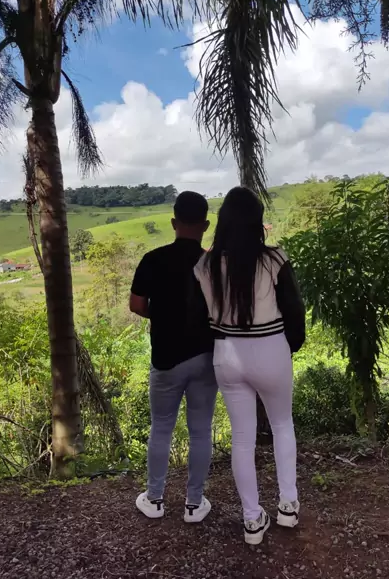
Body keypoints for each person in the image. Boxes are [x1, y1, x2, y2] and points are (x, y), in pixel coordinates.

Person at [194, 186, 306, 545]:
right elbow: (294, 312)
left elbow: (204, 319)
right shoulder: (274, 260)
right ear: (257, 222)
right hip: (270, 348)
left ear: (223, 222)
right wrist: (287, 349)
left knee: (242, 438)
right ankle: (287, 507)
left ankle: (252, 520)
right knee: (282, 425)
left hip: (226, 354)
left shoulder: (205, 265)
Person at [130, 191, 217, 523]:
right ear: (205, 225)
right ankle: (194, 504)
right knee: (200, 431)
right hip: (205, 358)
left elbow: (137, 305)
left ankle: (154, 499)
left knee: (162, 427)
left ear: (173, 222)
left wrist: (163, 315)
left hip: (165, 359)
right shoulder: (212, 264)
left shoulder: (153, 260)